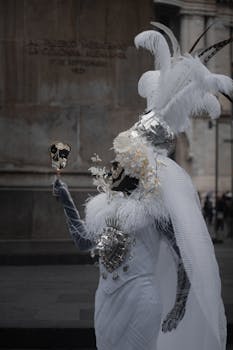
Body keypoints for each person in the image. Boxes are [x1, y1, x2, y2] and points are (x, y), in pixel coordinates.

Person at [53, 23, 232, 350]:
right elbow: (82, 241)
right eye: (117, 161)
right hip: (105, 301)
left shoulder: (154, 206)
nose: (115, 166)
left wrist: (179, 302)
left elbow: (184, 257)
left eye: (123, 162)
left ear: (139, 167)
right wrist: (64, 199)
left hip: (140, 300)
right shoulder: (108, 206)